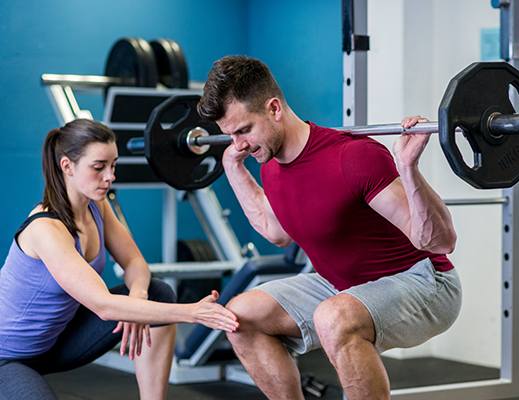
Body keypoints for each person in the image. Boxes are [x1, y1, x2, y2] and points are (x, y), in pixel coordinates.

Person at [196, 55, 462, 400]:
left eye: (244, 130)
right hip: (341, 287)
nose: (239, 144)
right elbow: (276, 233)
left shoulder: (352, 157)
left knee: (333, 317)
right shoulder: (271, 166)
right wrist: (234, 168)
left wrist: (408, 169)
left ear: (274, 108)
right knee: (239, 316)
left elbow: (441, 242)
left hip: (425, 281)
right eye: (230, 135)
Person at [0, 119, 239, 400]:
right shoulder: (45, 228)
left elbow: (136, 263)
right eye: (99, 167)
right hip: (8, 356)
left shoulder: (97, 206)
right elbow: (103, 305)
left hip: (56, 343)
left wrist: (138, 298)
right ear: (67, 167)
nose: (110, 176)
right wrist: (194, 313)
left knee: (158, 292)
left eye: (113, 165)